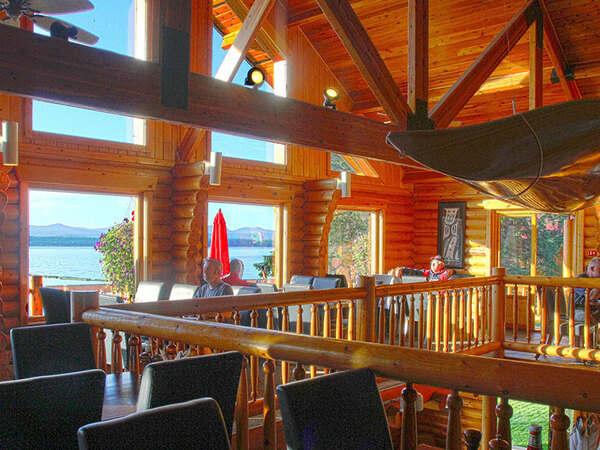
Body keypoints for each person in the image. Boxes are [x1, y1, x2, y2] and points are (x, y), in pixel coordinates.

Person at [573, 257, 600, 322]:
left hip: (593, 310)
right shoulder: (580, 279)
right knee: (588, 317)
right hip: (578, 311)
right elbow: (590, 297)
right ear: (592, 269)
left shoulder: (596, 280)